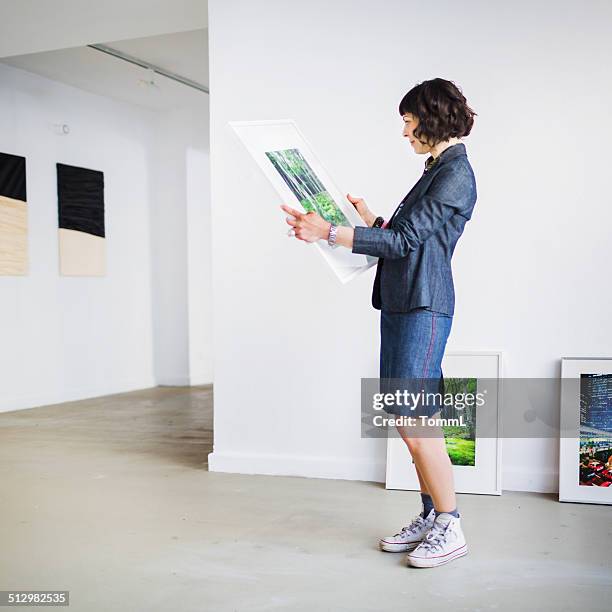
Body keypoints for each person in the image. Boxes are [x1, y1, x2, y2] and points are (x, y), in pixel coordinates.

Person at [281, 77, 477, 568]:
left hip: (423, 306)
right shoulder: (437, 169)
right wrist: (371, 220)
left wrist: (329, 231)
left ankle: (450, 525)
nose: (405, 132)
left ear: (430, 118)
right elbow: (410, 237)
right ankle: (433, 515)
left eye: (409, 121)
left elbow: (407, 244)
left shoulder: (455, 172)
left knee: (416, 422)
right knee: (407, 418)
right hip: (403, 301)